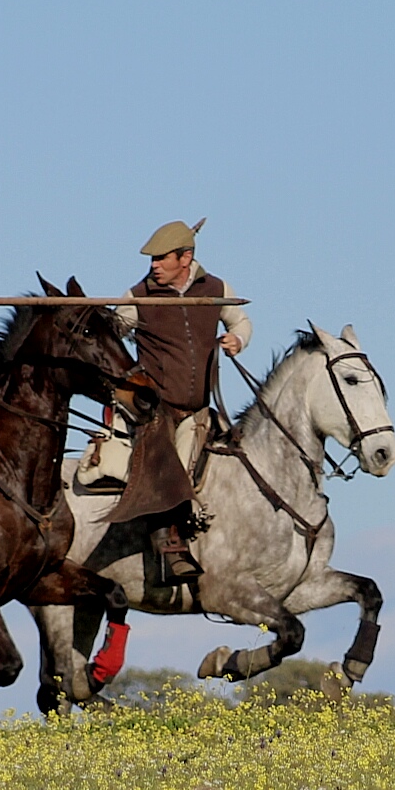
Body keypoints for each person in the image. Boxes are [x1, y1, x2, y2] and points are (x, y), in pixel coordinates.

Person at [108, 219, 252, 581]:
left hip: (198, 408)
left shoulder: (217, 288)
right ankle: (168, 545)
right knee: (166, 467)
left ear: (185, 258)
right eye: (153, 259)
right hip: (155, 408)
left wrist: (237, 340)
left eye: (161, 258)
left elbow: (240, 321)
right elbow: (112, 333)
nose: (153, 265)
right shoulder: (136, 296)